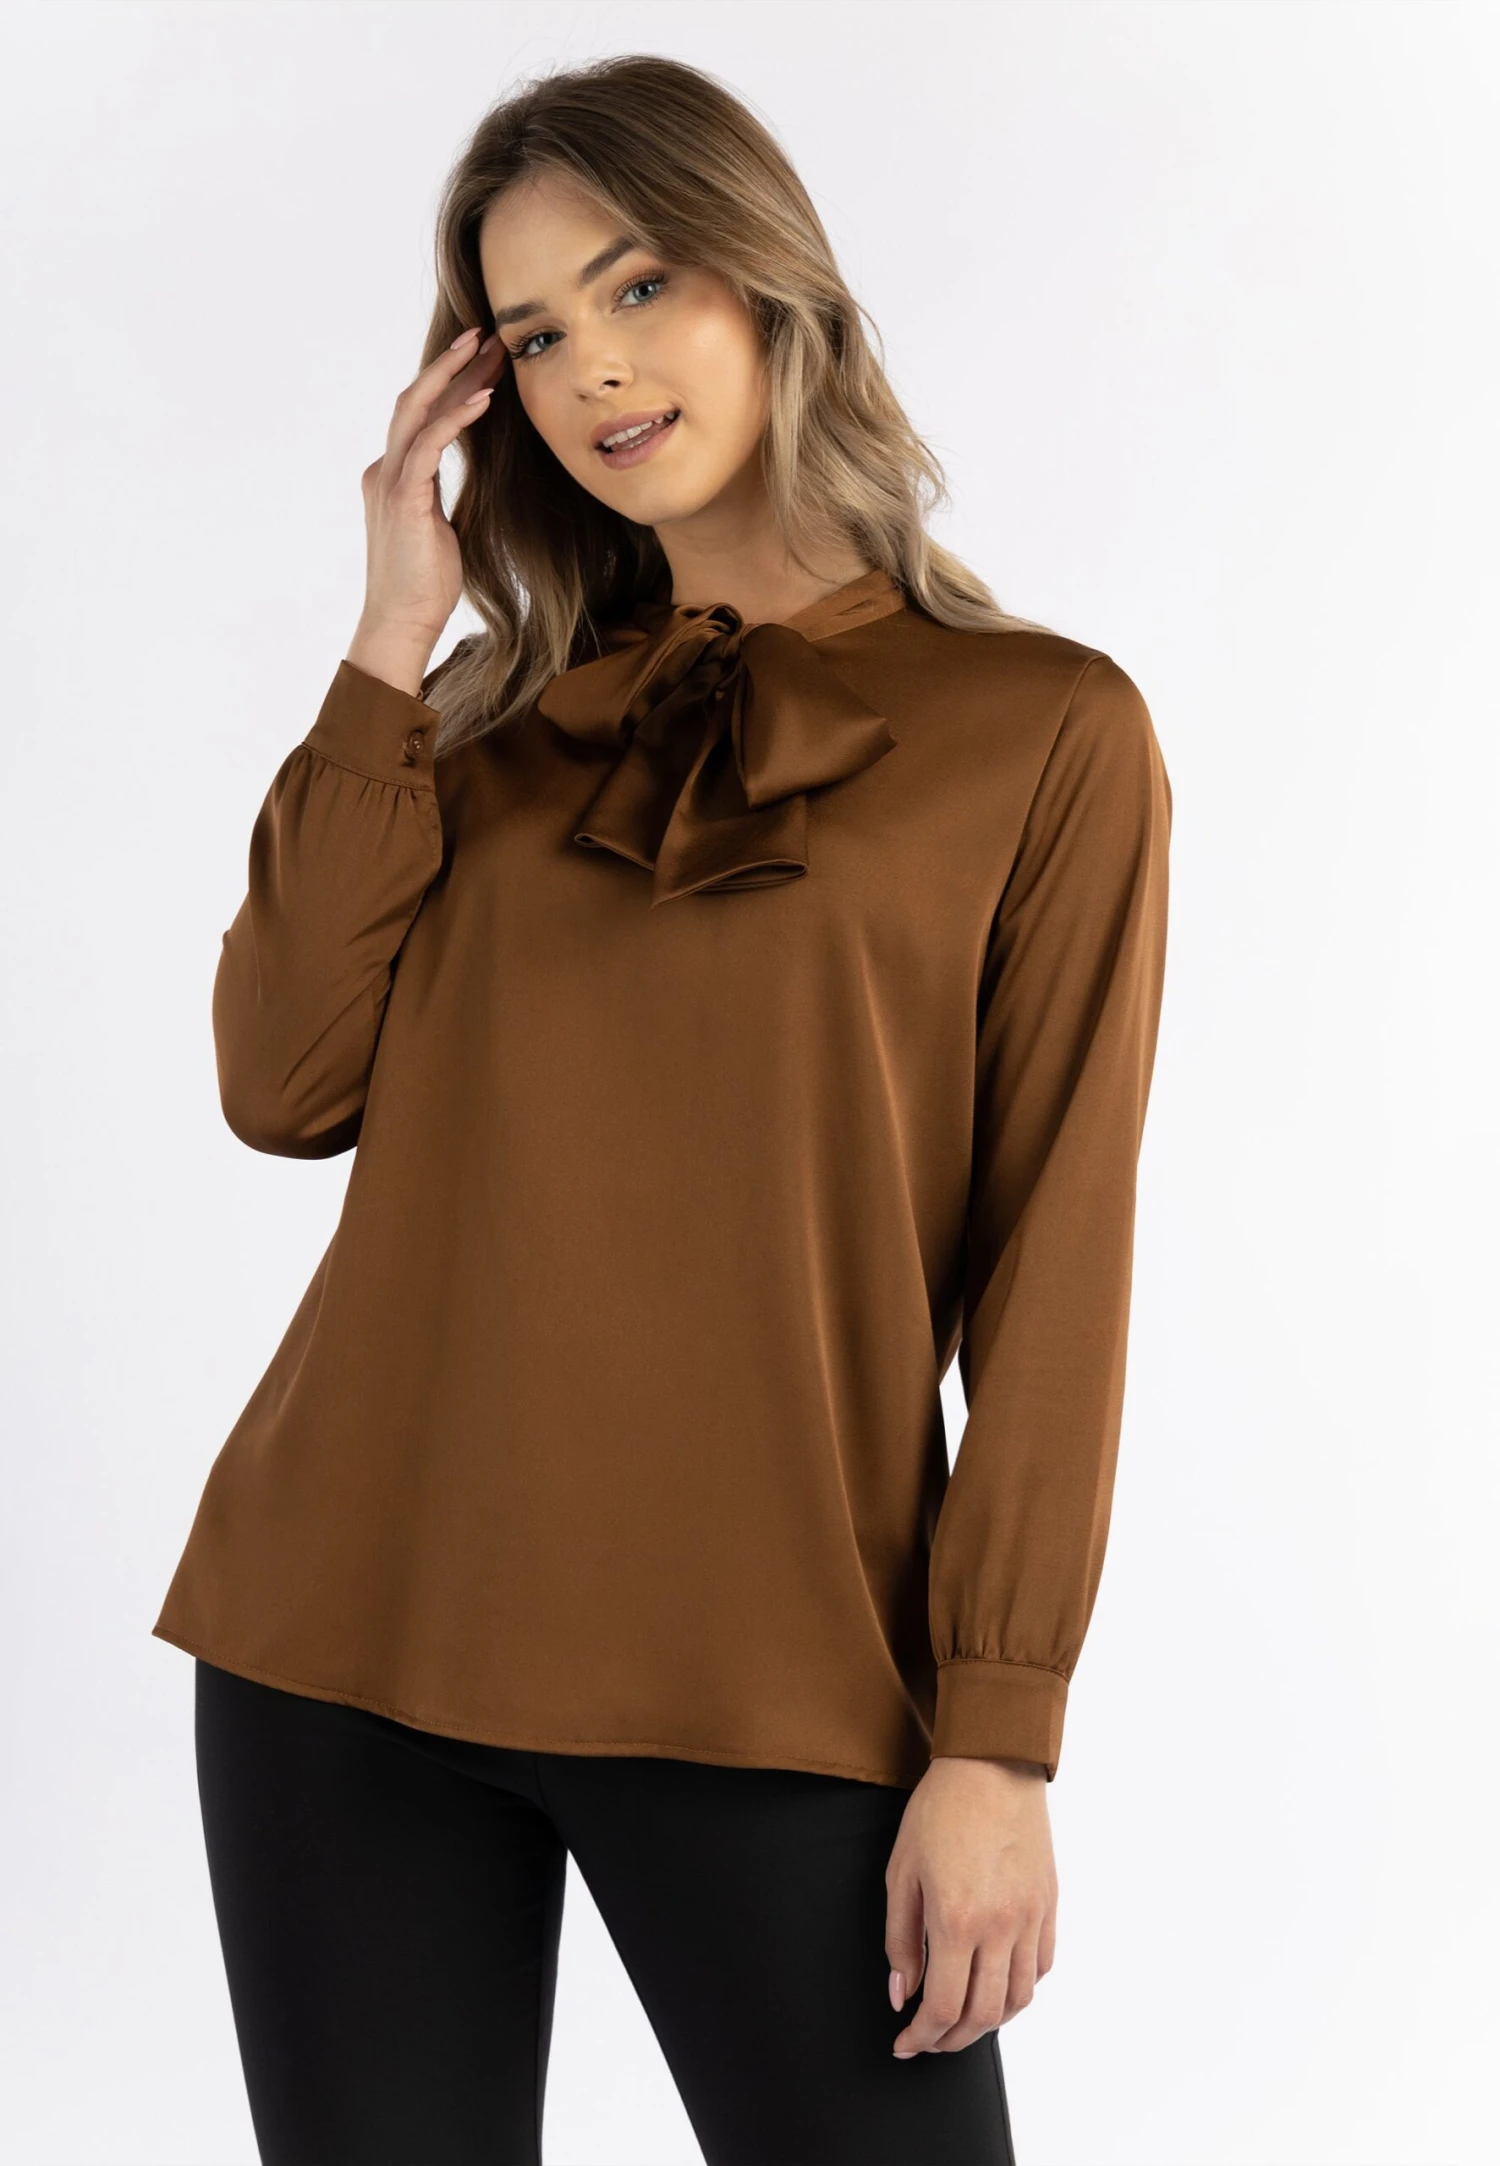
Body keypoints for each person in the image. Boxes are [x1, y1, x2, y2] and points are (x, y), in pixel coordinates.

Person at [153, 51, 1171, 2166]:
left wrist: (999, 1738)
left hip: (776, 1674)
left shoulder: (1045, 732)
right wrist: (392, 636)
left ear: (765, 276)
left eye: (635, 287)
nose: (595, 369)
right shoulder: (480, 723)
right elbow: (278, 1082)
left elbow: (1055, 1265)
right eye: (533, 335)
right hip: (343, 1641)